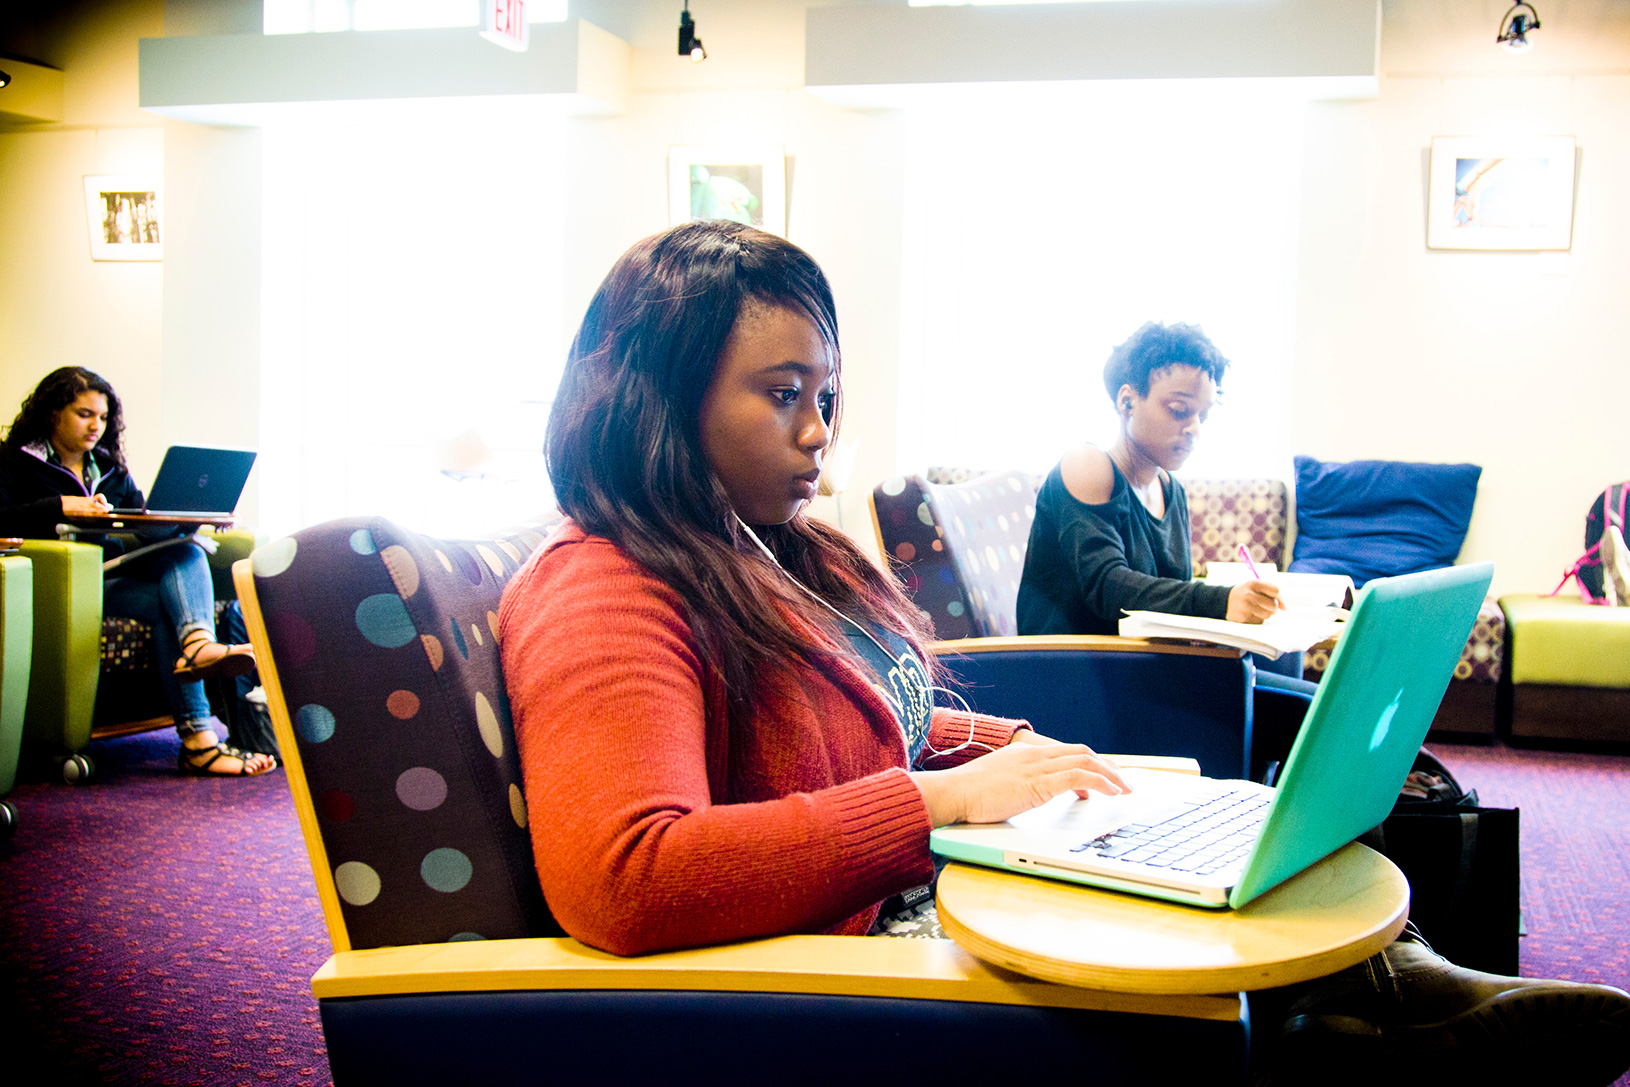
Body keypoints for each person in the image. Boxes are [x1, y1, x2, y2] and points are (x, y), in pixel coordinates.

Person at [499, 223, 1629, 1084]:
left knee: (1209, 824)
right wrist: (935, 805)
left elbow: (869, 717)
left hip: (901, 887)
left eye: (828, 396)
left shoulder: (755, 551)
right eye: (782, 395)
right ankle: (1343, 1025)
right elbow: (628, 877)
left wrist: (1018, 749)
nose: (818, 431)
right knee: (1189, 880)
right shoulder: (607, 584)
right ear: (654, 393)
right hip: (848, 960)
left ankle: (1381, 983)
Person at [1016, 322, 1315, 778]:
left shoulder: (1168, 488)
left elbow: (1167, 592)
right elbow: (1109, 587)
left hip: (1143, 669)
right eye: (1179, 410)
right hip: (1080, 673)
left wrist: (1240, 603)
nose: (1193, 428)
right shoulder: (1088, 465)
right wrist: (1221, 602)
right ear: (1127, 399)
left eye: (1202, 416)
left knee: (1329, 707)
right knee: (1312, 721)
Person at [0, 367, 273, 777]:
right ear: (53, 412)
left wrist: (192, 521)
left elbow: (143, 528)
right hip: (64, 584)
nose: (96, 426)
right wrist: (59, 506)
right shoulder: (14, 462)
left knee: (186, 558)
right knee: (173, 596)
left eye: (103, 417)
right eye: (84, 414)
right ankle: (200, 722)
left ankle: (199, 710)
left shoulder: (108, 467)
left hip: (111, 577)